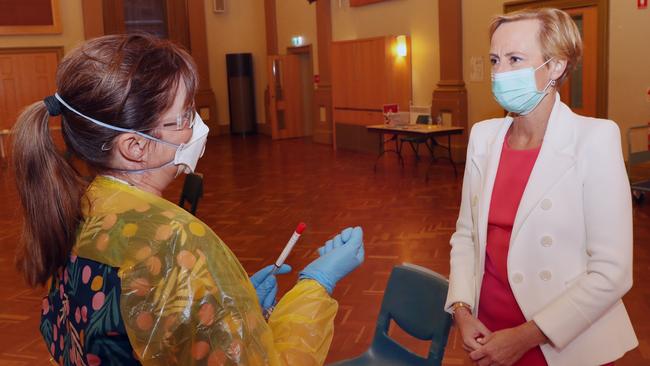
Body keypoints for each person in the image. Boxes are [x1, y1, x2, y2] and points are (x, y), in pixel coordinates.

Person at [12, 33, 364, 365]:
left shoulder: (79, 210)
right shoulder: (177, 241)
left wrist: (228, 313)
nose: (198, 126)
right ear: (134, 146)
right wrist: (316, 285)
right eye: (183, 117)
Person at [444, 8, 637, 366]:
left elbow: (612, 271)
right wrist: (461, 309)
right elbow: (466, 236)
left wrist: (524, 336)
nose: (500, 72)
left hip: (562, 338)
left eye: (515, 59)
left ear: (556, 66)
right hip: (487, 332)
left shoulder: (594, 139)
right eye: (495, 60)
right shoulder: (484, 137)